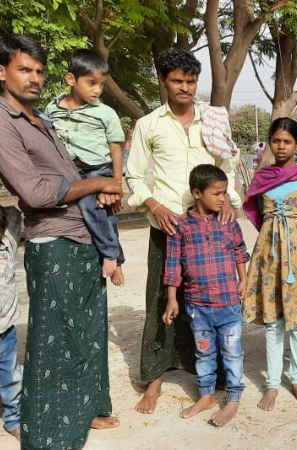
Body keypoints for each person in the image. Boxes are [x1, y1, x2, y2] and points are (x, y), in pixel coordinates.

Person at [0, 35, 122, 449]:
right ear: (2, 72)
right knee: (54, 342)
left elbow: (70, 174)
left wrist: (101, 192)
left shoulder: (41, 119)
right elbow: (36, 193)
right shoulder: (4, 122)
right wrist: (99, 183)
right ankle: (48, 434)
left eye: (39, 71)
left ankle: (87, 410)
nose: (34, 78)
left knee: (87, 332)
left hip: (83, 236)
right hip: (52, 243)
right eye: (24, 69)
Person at [126, 48, 241, 414]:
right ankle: (154, 380)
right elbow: (133, 176)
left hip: (210, 229)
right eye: (177, 81)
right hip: (169, 225)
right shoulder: (149, 125)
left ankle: (213, 375)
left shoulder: (214, 118)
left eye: (191, 81)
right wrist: (155, 206)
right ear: (163, 80)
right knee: (161, 298)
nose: (185, 88)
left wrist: (229, 200)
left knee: (211, 298)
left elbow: (227, 165)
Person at [242, 117, 297, 411]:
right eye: (276, 141)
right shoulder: (262, 179)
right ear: (269, 143)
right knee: (273, 322)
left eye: (287, 141)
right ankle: (271, 385)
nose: (281, 146)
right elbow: (261, 218)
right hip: (269, 256)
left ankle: (296, 379)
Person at [162, 164, 248, 427]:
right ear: (197, 193)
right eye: (217, 193)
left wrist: (243, 279)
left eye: (225, 193)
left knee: (232, 353)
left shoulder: (227, 221)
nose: (223, 198)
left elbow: (240, 250)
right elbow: (172, 264)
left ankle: (233, 398)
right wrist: (172, 298)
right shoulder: (180, 225)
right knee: (204, 354)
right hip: (198, 306)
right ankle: (206, 396)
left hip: (229, 303)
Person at [44, 49, 126, 285]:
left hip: (99, 169)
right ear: (71, 79)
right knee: (103, 215)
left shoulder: (105, 113)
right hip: (70, 172)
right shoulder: (52, 109)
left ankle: (111, 255)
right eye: (91, 83)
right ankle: (117, 260)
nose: (97, 90)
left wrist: (116, 185)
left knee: (93, 206)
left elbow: (116, 150)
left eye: (101, 84)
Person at [0, 206, 22, 441]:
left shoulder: (7, 246)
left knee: (11, 377)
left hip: (5, 331)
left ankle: (13, 420)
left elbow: (14, 213)